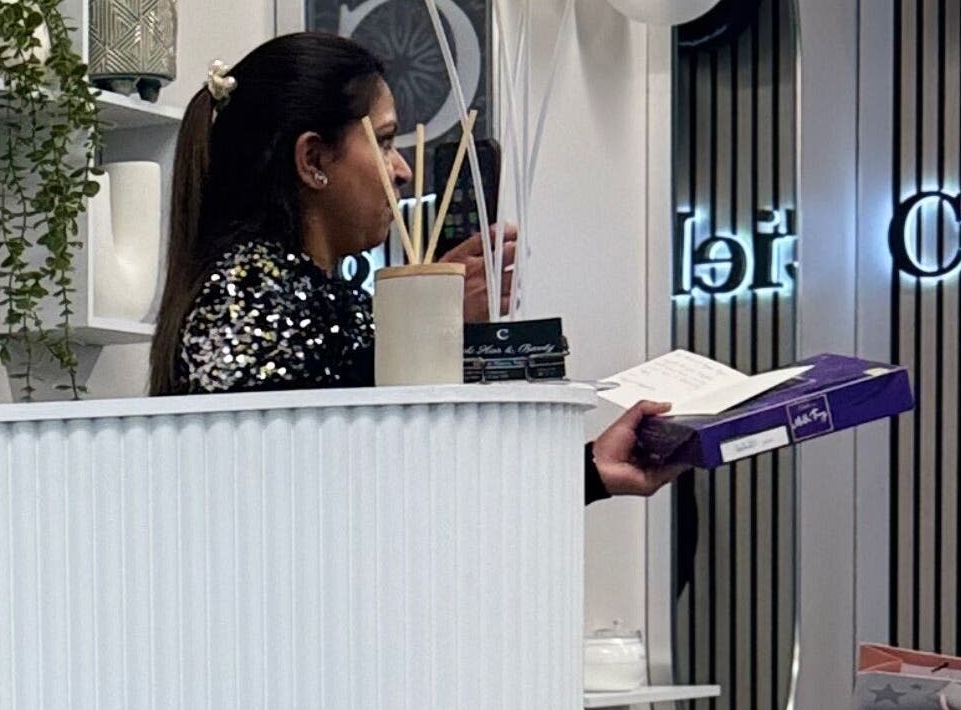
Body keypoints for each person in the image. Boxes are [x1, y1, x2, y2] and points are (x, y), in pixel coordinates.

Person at [146, 30, 684, 503]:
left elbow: (425, 480)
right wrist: (425, 332)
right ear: (312, 160)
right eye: (383, 141)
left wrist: (591, 470)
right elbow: (324, 482)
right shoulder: (245, 300)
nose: (402, 169)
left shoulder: (322, 300)